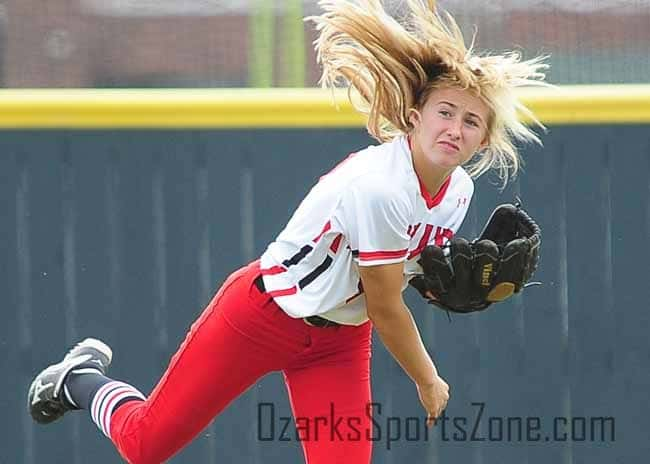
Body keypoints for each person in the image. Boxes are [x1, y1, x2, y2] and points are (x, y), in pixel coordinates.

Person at [27, 1, 548, 463]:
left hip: (340, 341)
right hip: (261, 316)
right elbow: (387, 306)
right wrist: (427, 379)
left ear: (483, 142)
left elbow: (396, 278)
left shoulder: (458, 192)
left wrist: (437, 284)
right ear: (414, 118)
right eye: (445, 112)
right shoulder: (380, 186)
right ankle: (79, 379)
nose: (455, 128)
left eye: (473, 122)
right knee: (144, 446)